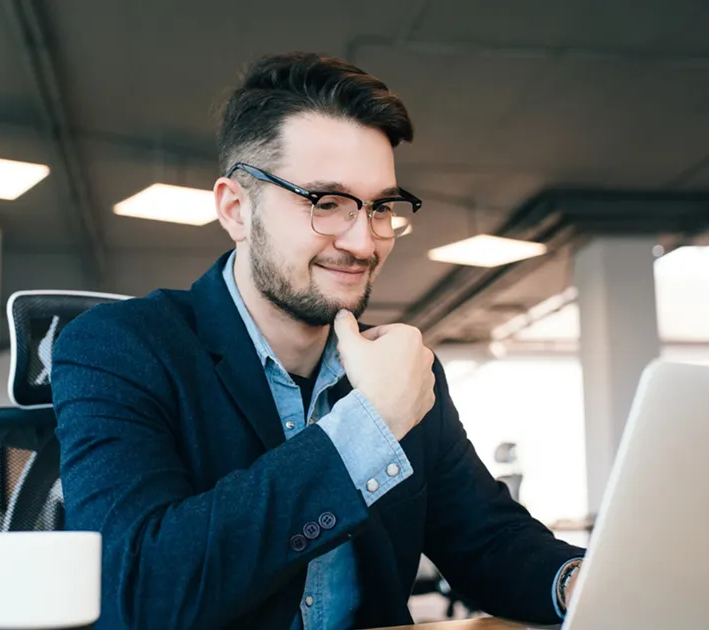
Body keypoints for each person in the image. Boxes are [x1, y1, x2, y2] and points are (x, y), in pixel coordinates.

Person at [51, 51, 585, 630]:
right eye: (325, 203)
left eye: (380, 206)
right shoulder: (119, 348)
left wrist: (579, 581)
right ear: (236, 208)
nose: (363, 241)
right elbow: (143, 592)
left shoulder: (400, 370)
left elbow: (487, 540)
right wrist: (369, 426)